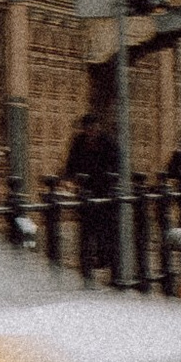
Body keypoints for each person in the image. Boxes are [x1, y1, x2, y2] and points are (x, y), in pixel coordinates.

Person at [64, 100, 119, 281]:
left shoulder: (107, 142)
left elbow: (117, 164)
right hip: (86, 190)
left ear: (97, 128)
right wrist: (69, 178)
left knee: (104, 227)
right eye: (87, 129)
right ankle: (87, 258)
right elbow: (71, 164)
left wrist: (110, 178)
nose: (90, 132)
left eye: (93, 128)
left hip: (104, 190)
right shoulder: (78, 142)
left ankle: (105, 258)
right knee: (88, 226)